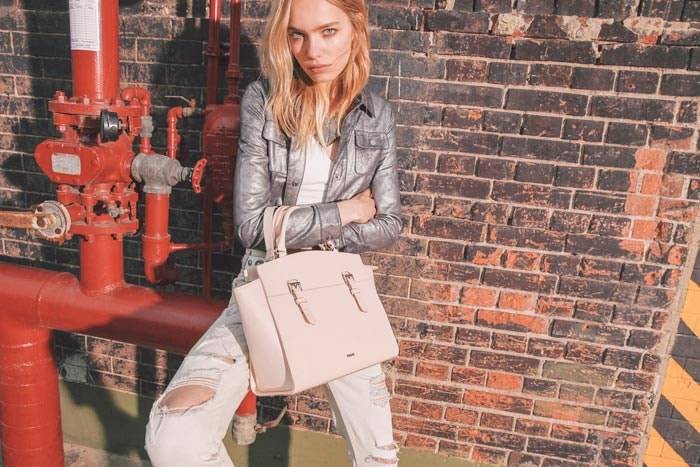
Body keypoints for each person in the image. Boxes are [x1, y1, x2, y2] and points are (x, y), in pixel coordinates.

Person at [145, 0, 402, 465]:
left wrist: (293, 225)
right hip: (263, 284)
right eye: (297, 35)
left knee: (378, 457)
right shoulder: (264, 100)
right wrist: (346, 211)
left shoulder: (376, 115)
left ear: (355, 27)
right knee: (173, 437)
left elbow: (388, 224)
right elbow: (250, 225)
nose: (313, 51)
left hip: (339, 290)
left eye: (328, 31)